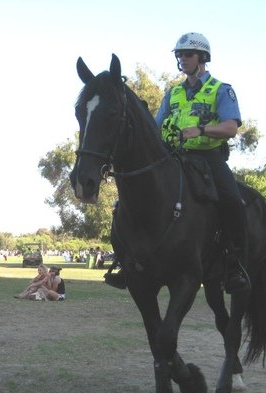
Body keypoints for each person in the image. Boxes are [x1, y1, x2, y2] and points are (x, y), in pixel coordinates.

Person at [105, 32, 250, 294]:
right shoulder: (173, 94)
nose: (183, 59)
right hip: (172, 156)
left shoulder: (221, 90)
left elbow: (230, 128)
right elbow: (154, 127)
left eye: (188, 54)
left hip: (208, 157)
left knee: (233, 200)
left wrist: (202, 130)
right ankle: (125, 262)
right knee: (128, 201)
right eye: (179, 55)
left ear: (203, 58)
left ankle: (235, 264)